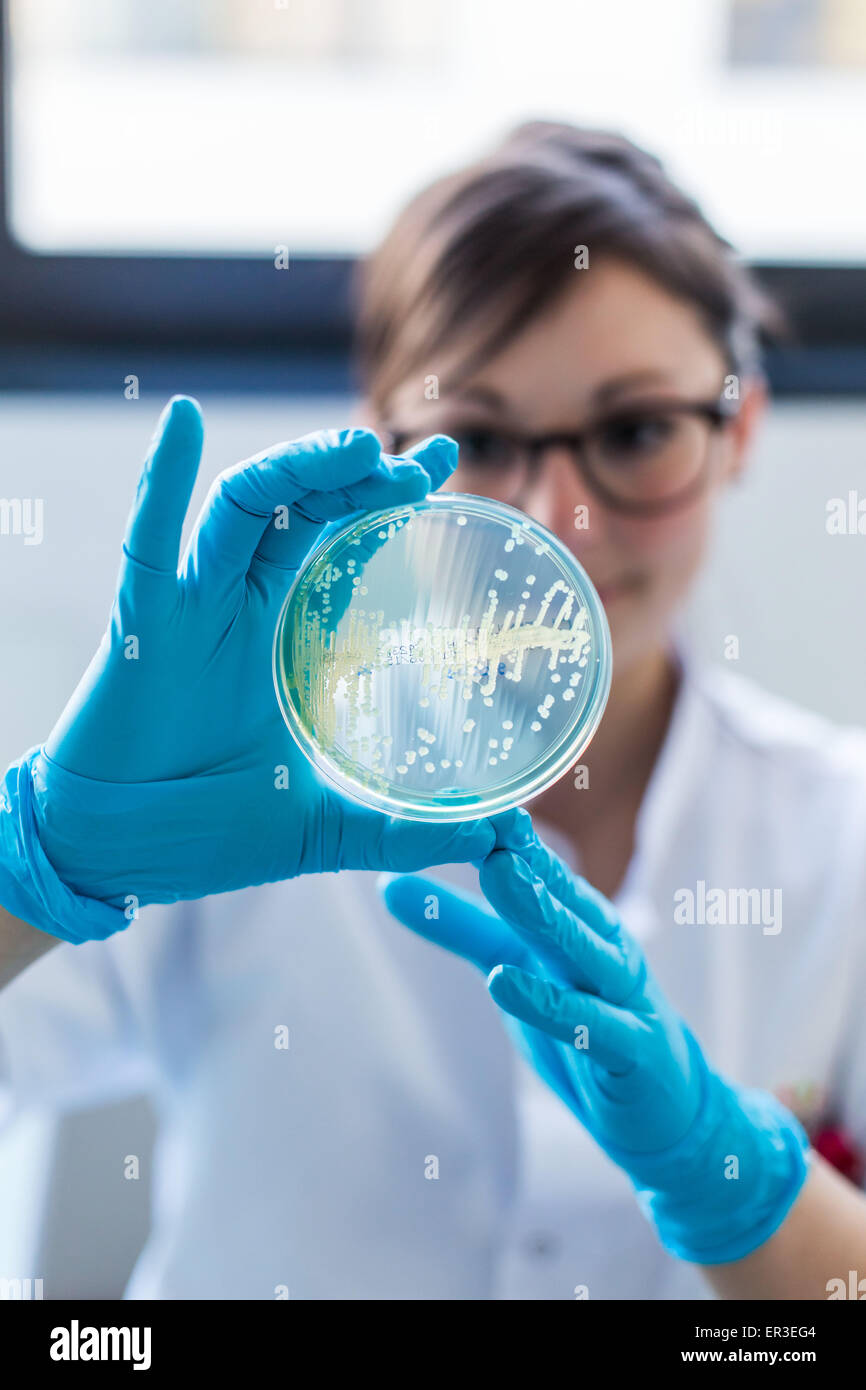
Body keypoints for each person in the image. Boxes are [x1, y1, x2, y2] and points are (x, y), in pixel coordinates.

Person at [2, 122, 866, 1301]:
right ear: (387, 448)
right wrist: (40, 862)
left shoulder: (839, 833)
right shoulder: (236, 790)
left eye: (632, 432)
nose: (557, 517)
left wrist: (733, 1175)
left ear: (738, 432)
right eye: (485, 439)